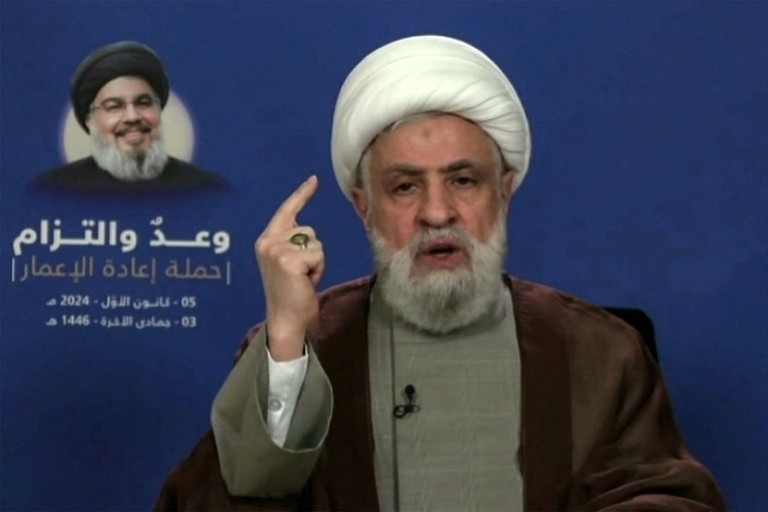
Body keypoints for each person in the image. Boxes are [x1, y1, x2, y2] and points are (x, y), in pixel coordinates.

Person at [156, 35, 725, 511]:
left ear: (504, 191)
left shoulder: (600, 350)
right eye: (405, 186)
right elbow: (219, 501)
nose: (436, 212)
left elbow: (665, 497)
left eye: (463, 180)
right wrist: (286, 339)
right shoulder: (304, 346)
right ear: (364, 207)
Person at [32, 41, 227, 192]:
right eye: (114, 107)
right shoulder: (54, 190)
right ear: (89, 120)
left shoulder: (206, 189)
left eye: (143, 103)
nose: (132, 117)